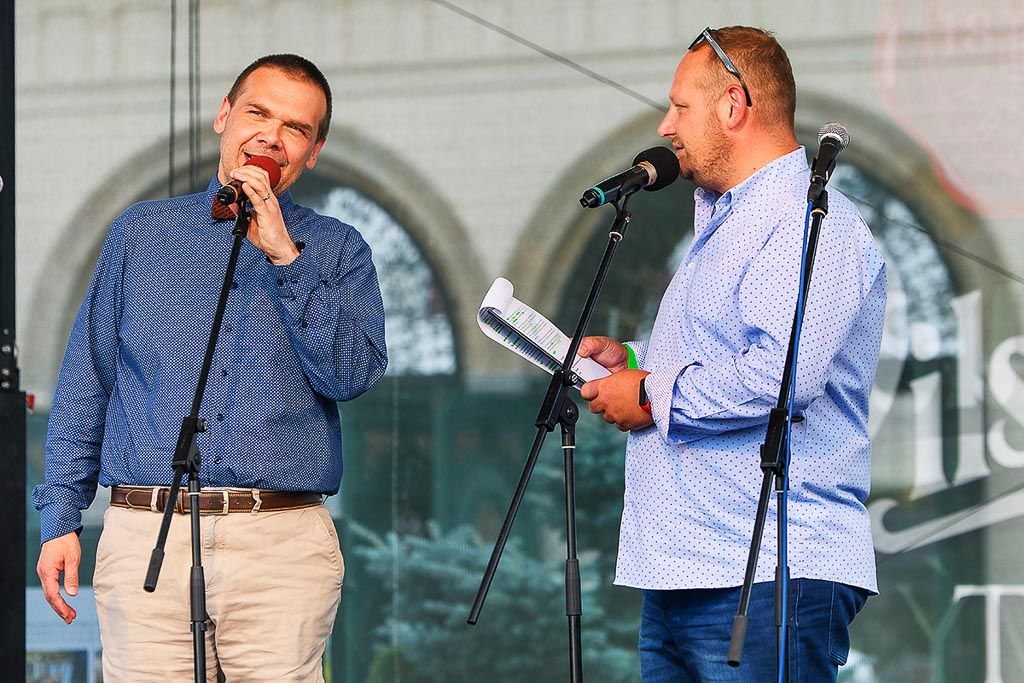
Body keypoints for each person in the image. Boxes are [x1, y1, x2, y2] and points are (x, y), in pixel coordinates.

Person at [33, 54, 387, 682]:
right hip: (148, 530)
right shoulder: (141, 234)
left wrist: (285, 257)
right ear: (225, 115)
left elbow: (352, 373)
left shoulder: (337, 248)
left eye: (296, 128)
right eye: (257, 112)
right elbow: (89, 377)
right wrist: (60, 519)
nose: (271, 135)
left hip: (281, 541)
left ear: (312, 152)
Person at [578, 26, 886, 682]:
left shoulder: (810, 221)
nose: (665, 125)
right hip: (690, 564)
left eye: (679, 106)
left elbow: (779, 375)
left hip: (770, 567)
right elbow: (725, 347)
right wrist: (633, 360)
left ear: (733, 106)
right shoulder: (730, 220)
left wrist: (650, 394)